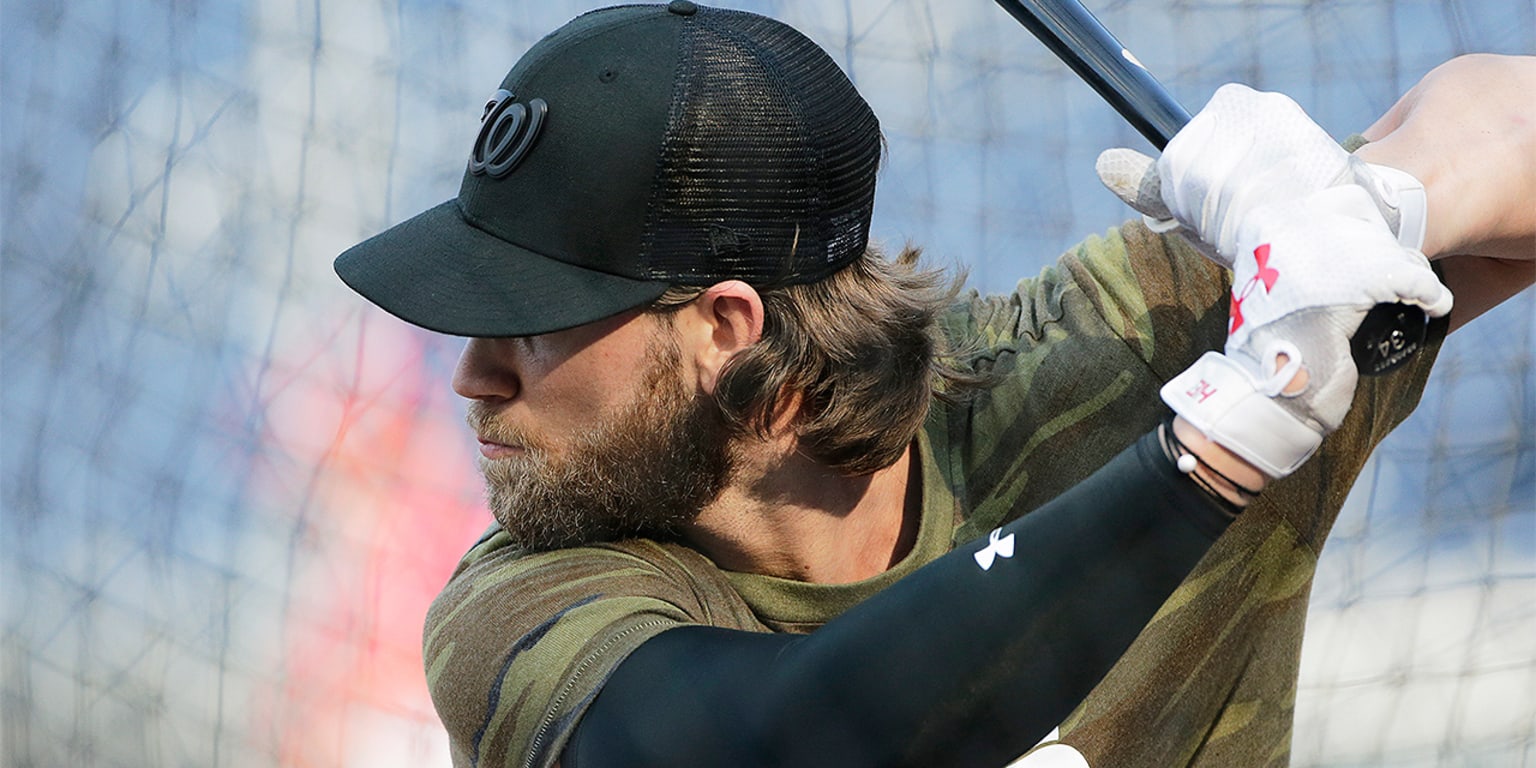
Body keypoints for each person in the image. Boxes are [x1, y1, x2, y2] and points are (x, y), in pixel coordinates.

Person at [333, 3, 1534, 766]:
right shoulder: (533, 607)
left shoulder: (1106, 355)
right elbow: (785, 746)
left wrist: (1360, 215)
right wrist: (1220, 445)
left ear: (723, 329)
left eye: (529, 331)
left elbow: (1507, 114)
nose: (473, 380)